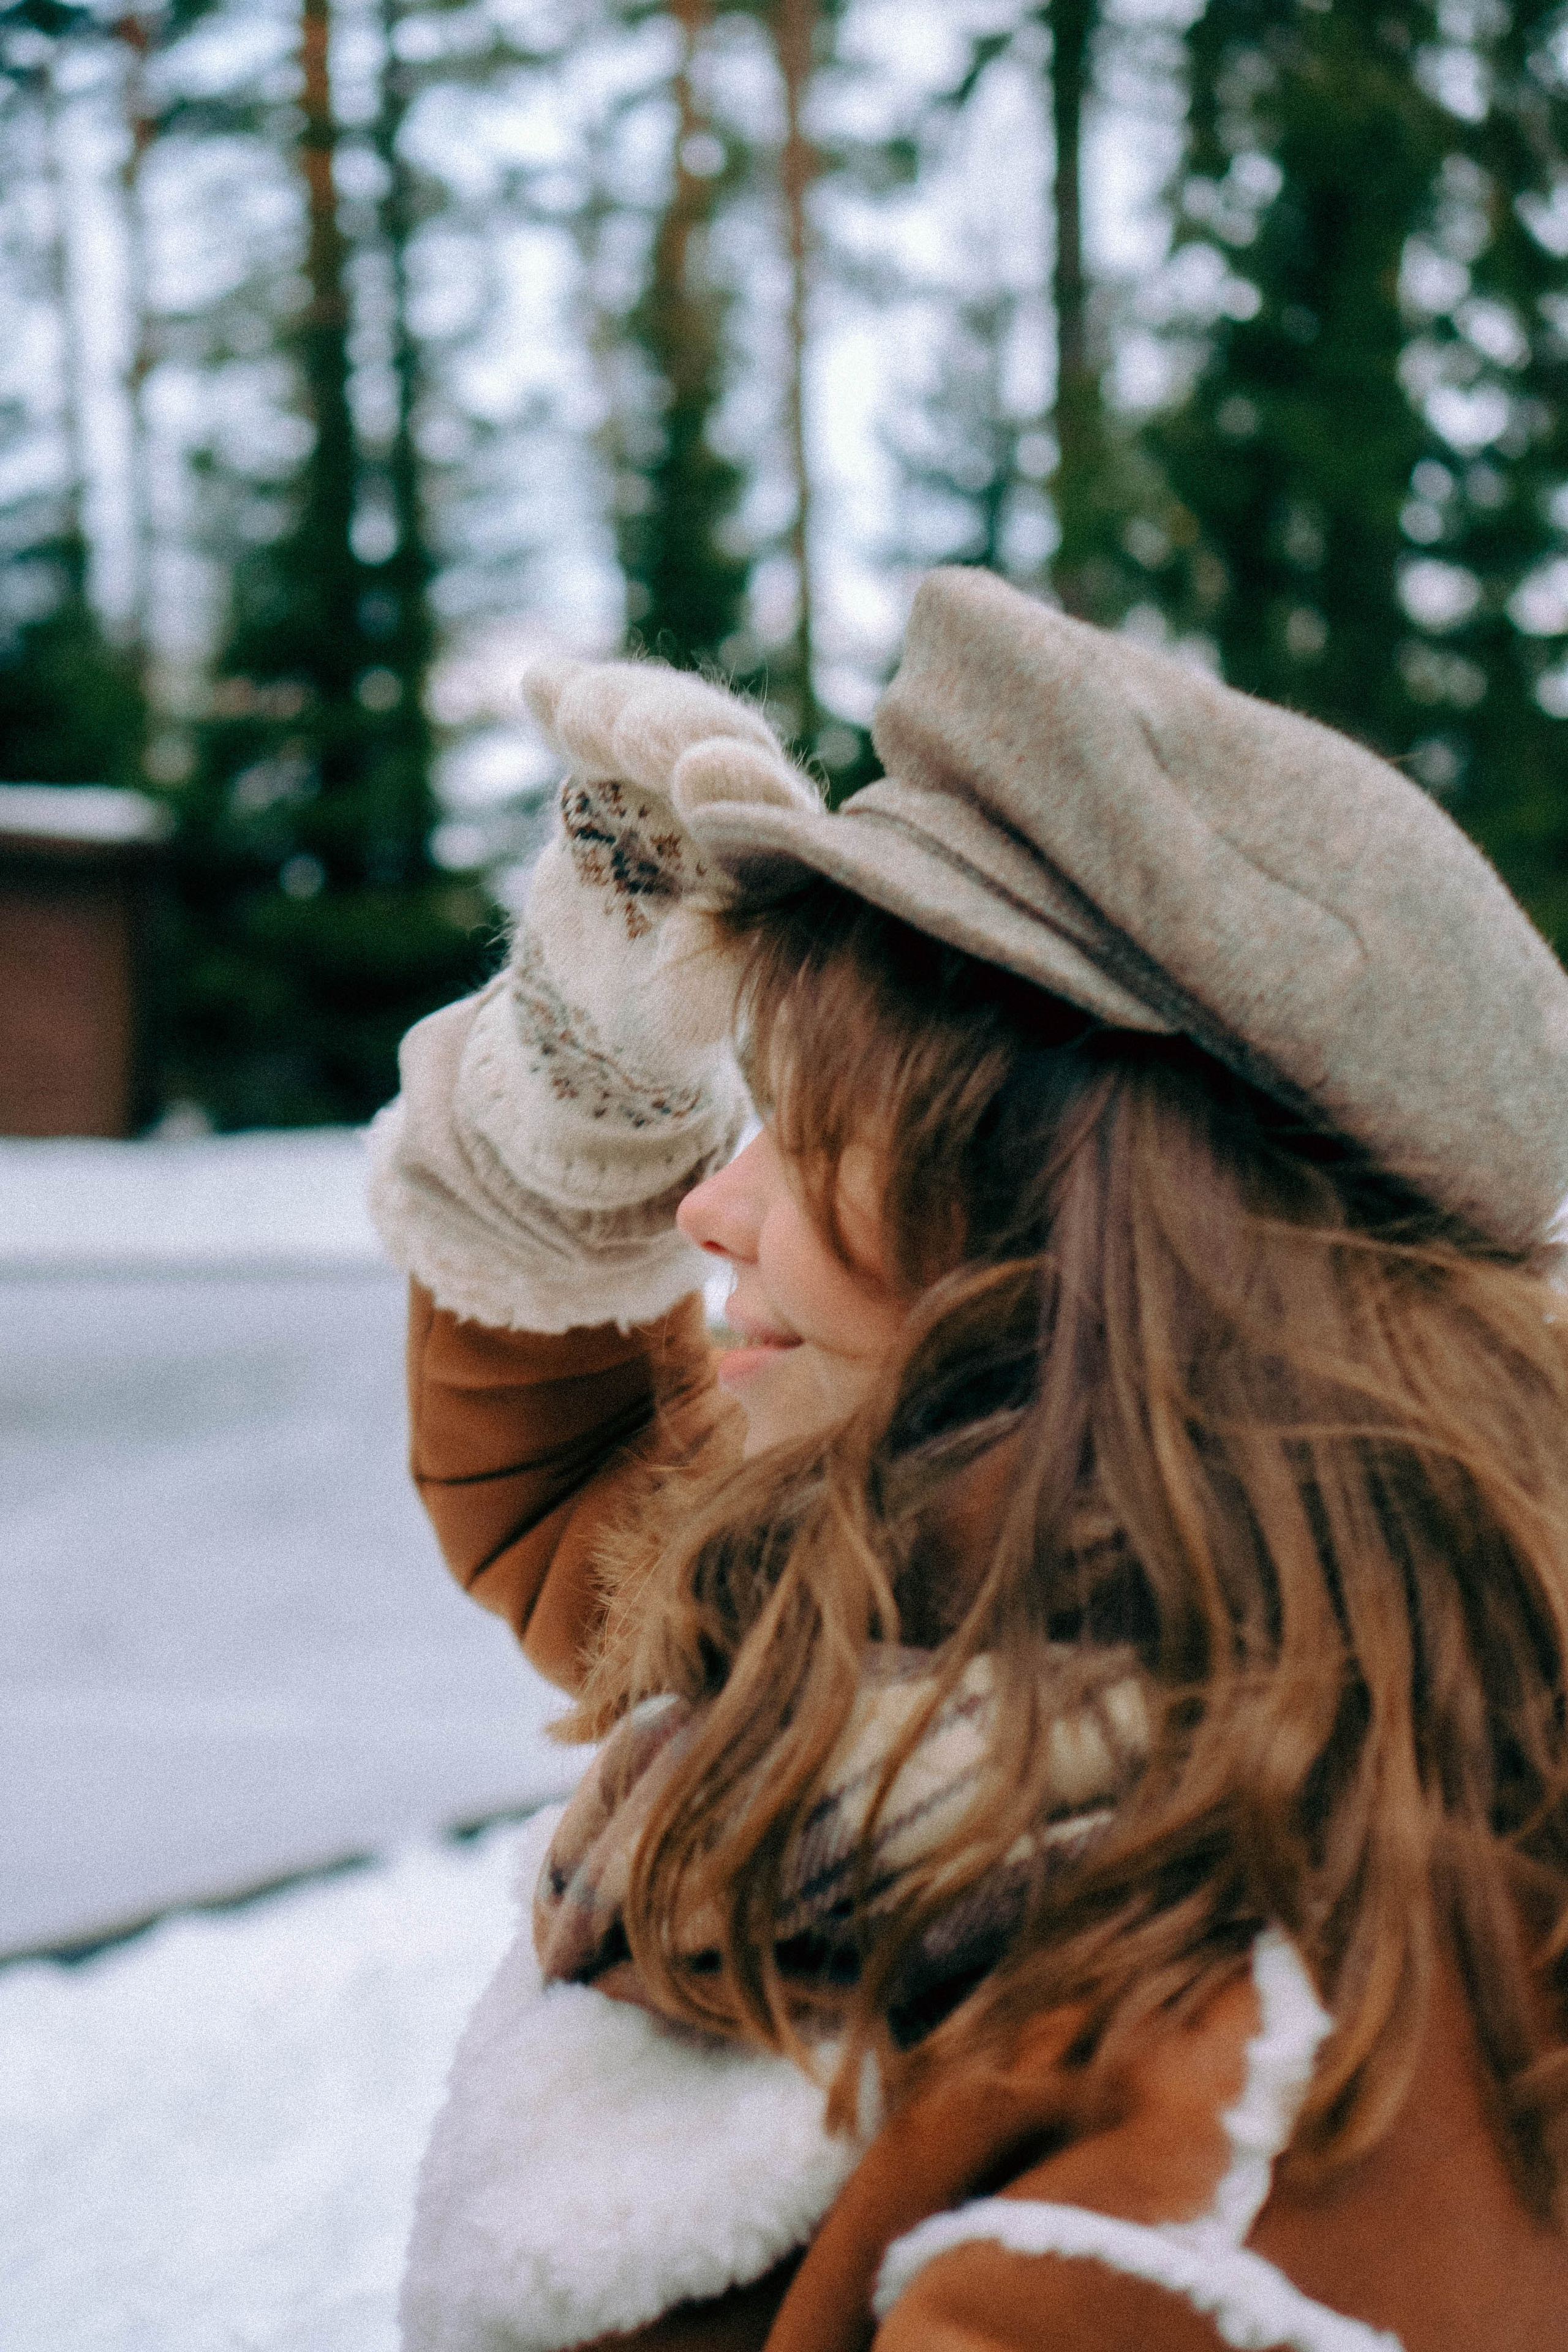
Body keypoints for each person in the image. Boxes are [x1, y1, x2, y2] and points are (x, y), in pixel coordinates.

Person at [368, 567, 1568, 2352]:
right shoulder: (1037, 1618)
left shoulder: (1227, 2125)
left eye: (822, 1128)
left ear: (1066, 1236)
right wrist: (581, 1096)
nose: (711, 1200)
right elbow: (604, 1514)